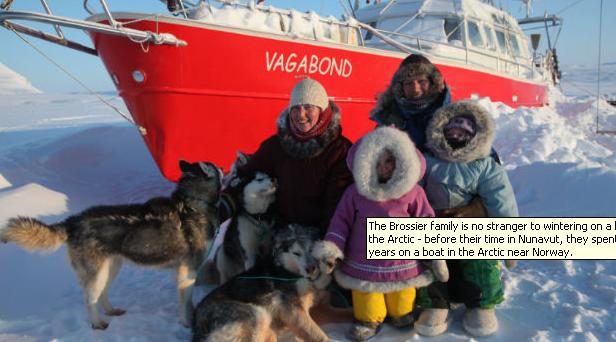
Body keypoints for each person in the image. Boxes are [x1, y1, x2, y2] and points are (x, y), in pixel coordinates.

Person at [313, 126, 448, 341]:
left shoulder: (413, 192)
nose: (383, 167)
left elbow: (426, 222)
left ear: (401, 162)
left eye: (389, 161)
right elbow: (341, 222)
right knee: (367, 295)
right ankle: (368, 319)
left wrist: (435, 254)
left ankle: (401, 313)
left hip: (402, 262)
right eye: (377, 162)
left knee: (402, 296)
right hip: (363, 262)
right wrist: (332, 248)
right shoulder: (355, 193)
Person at [414, 101, 519, 337]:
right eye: (450, 132)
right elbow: (412, 193)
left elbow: (501, 202)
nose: (455, 136)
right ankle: (435, 304)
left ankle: (481, 304)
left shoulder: (484, 166)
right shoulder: (426, 162)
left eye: (462, 133)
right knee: (425, 258)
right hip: (433, 224)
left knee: (480, 258)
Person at [219, 77, 353, 234]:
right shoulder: (276, 146)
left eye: (308, 107)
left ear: (322, 110)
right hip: (280, 237)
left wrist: (323, 247)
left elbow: (338, 209)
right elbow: (246, 177)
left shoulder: (341, 153)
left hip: (321, 241)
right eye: (295, 108)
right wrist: (219, 210)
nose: (301, 115)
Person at [370, 54, 494, 217]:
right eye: (408, 83)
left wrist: (479, 206)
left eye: (421, 81)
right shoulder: (388, 123)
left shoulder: (456, 118)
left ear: (433, 82)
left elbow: (487, 162)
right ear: (400, 88)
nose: (415, 89)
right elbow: (371, 168)